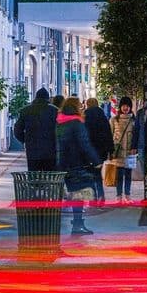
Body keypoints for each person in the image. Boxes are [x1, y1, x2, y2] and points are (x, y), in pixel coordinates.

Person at [56, 98, 101, 235]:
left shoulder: (60, 123)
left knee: (74, 193)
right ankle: (77, 224)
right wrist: (95, 160)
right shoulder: (77, 123)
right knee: (79, 194)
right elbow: (84, 144)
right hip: (76, 163)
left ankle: (77, 223)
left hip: (62, 163)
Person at [13, 88, 58, 172]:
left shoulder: (25, 110)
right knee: (49, 177)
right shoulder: (54, 111)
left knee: (33, 176)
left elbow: (17, 130)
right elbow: (60, 130)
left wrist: (26, 140)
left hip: (32, 150)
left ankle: (35, 185)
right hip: (50, 151)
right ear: (47, 98)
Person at [84, 97, 113, 204]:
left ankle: (93, 197)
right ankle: (101, 195)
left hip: (88, 151)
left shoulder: (84, 116)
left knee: (90, 174)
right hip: (101, 150)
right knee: (97, 173)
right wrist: (110, 150)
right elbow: (108, 134)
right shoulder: (102, 116)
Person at [110, 97, 136, 204]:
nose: (126, 108)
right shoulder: (114, 120)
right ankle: (118, 196)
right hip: (118, 152)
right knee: (119, 176)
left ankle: (128, 195)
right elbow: (110, 135)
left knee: (128, 175)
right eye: (124, 105)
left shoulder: (134, 120)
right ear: (120, 107)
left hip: (130, 152)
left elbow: (136, 136)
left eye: (128, 106)